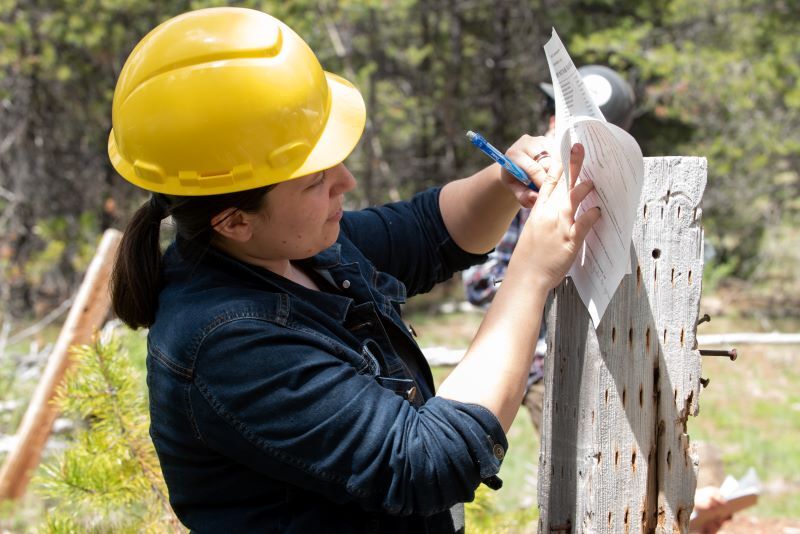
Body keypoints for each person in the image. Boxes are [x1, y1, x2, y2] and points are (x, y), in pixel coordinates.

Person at [108, 7, 600, 533]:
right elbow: (427, 463)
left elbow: (427, 233)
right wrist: (529, 274)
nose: (346, 180)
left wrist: (503, 180)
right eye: (315, 179)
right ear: (233, 221)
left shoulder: (288, 247)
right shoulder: (229, 343)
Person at [462, 64, 637, 436]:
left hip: (620, 356)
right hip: (549, 362)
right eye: (558, 116)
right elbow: (479, 282)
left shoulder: (633, 189)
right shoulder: (527, 187)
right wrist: (534, 275)